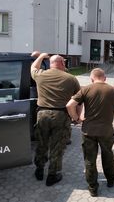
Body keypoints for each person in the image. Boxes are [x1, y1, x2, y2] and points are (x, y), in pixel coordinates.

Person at [66, 68, 114, 197]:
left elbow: (70, 105)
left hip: (88, 131)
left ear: (92, 78)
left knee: (89, 160)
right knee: (107, 156)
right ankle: (111, 180)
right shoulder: (113, 91)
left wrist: (76, 119)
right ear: (105, 78)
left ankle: (93, 188)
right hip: (106, 131)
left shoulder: (86, 89)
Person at [31, 51, 81, 186]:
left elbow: (33, 67)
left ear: (51, 64)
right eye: (64, 62)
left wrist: (41, 56)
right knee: (57, 146)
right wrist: (76, 117)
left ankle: (39, 169)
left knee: (42, 143)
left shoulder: (40, 75)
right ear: (62, 63)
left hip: (42, 114)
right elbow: (78, 101)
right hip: (61, 115)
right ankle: (52, 175)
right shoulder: (71, 78)